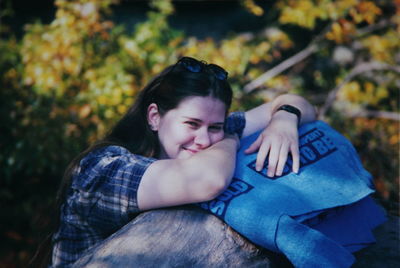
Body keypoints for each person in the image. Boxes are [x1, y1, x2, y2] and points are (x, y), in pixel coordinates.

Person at [45, 56, 316, 267]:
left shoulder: (216, 135)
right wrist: (230, 139)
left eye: (214, 127)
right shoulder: (103, 170)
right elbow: (206, 180)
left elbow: (298, 103)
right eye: (191, 124)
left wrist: (284, 119)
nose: (203, 139)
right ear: (154, 116)